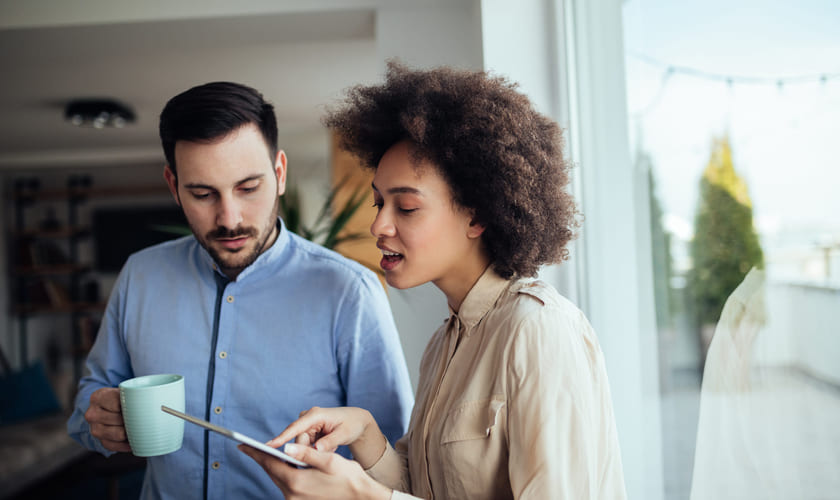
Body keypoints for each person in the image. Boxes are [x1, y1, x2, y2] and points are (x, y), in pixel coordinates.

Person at [240, 63, 627, 499]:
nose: (378, 226)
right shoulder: (443, 344)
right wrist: (365, 432)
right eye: (378, 203)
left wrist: (362, 496)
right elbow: (427, 490)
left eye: (405, 207)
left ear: (477, 214)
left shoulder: (537, 330)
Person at [66, 81, 414, 499]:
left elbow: (392, 458)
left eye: (248, 188)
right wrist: (98, 420)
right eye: (202, 193)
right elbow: (89, 402)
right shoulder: (140, 276)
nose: (229, 218)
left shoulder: (349, 292)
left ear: (280, 173)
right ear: (173, 186)